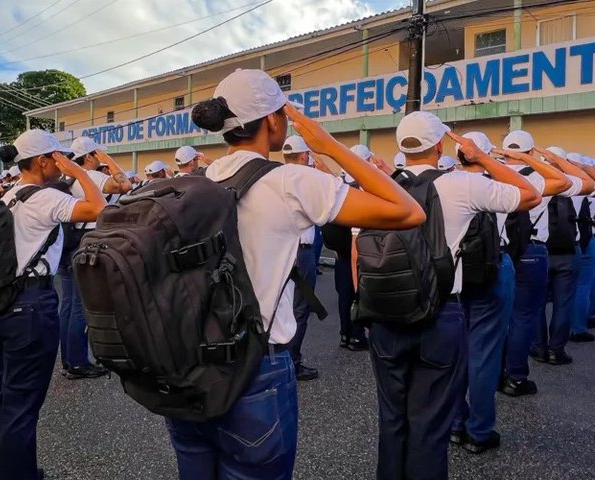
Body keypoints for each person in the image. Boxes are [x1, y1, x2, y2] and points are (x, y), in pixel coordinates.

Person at [168, 68, 425, 479]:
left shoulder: (192, 181)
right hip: (257, 365)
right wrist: (330, 146)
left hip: (188, 366)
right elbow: (409, 211)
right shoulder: (290, 182)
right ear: (272, 120)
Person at [370, 113, 540, 480]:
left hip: (385, 312)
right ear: (439, 146)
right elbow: (530, 194)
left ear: (401, 145)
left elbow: (358, 251)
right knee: (430, 423)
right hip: (441, 310)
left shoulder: (380, 184)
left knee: (391, 417)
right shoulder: (461, 184)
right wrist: (482, 158)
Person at [0, 130, 105, 480]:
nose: (62, 163)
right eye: (57, 157)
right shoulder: (42, 198)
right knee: (23, 403)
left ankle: (7, 471)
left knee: (7, 396)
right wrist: (80, 171)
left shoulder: (10, 195)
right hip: (31, 304)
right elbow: (97, 207)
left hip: (3, 302)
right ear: (43, 161)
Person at [450, 131, 568, 454]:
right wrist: (521, 157)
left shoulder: (442, 182)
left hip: (452, 273)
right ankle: (480, 430)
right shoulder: (503, 183)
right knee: (485, 353)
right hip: (493, 267)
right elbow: (563, 181)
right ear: (487, 155)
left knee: (456, 351)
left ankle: (456, 424)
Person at [499, 133, 582, 396]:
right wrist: (544, 158)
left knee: (499, 318)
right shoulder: (539, 178)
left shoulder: (491, 175)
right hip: (533, 250)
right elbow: (582, 181)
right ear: (530, 152)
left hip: (499, 251)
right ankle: (518, 374)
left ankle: (497, 372)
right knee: (526, 315)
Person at [52, 136, 132, 380]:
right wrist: (107, 159)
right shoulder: (92, 177)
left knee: (67, 304)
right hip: (86, 243)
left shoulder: (68, 179)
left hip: (67, 243)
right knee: (81, 306)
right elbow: (125, 185)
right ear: (89, 157)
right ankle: (77, 362)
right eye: (96, 155)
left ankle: (68, 358)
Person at [530, 147, 594, 365]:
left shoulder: (534, 181)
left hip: (540, 249)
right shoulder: (575, 183)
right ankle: (556, 350)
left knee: (537, 303)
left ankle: (539, 347)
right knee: (563, 302)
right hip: (569, 250)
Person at [281, 134, 321, 381]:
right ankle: (292, 361)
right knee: (300, 308)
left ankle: (281, 358)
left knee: (281, 305)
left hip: (281, 250)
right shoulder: (307, 181)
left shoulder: (275, 178)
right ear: (305, 155)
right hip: (301, 252)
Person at [569, 154, 595, 343]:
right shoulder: (585, 187)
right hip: (584, 239)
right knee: (584, 284)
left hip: (552, 243)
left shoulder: (548, 181)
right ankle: (578, 326)